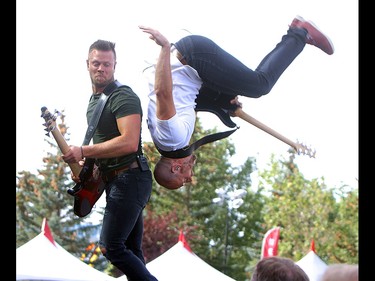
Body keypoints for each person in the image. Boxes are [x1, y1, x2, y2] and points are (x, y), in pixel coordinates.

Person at [139, 15, 334, 190]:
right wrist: (223, 102)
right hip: (194, 66)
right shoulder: (169, 143)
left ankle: (300, 32)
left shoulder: (171, 139)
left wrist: (164, 47)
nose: (190, 176)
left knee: (260, 86)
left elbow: (163, 93)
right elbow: (186, 99)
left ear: (176, 167)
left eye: (184, 179)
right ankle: (297, 32)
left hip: (194, 58)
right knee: (249, 88)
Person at [61, 39, 158, 280]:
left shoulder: (123, 96)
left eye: (107, 64)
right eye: (96, 63)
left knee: (111, 247)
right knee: (132, 251)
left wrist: (83, 151)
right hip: (119, 180)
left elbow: (129, 142)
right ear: (87, 64)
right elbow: (103, 146)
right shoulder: (95, 101)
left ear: (115, 66)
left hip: (130, 178)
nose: (101, 68)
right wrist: (88, 166)